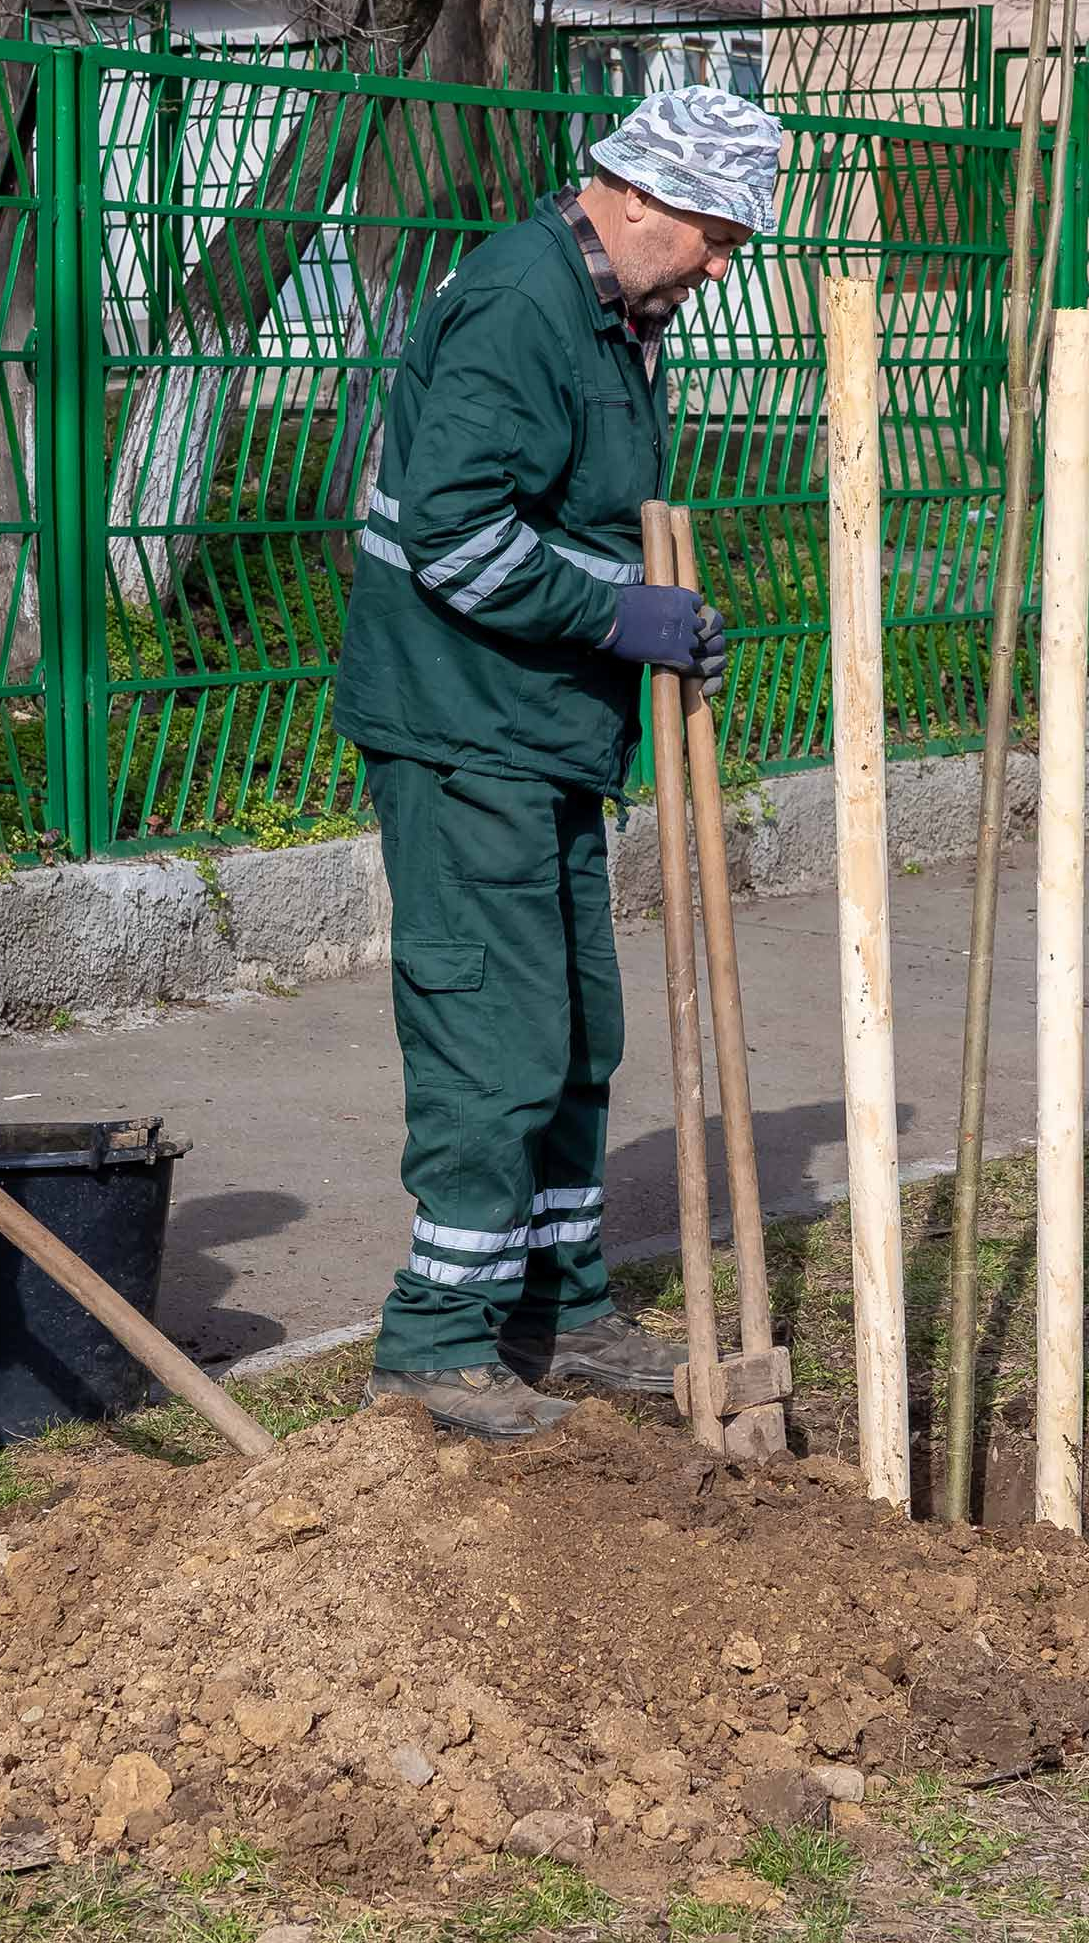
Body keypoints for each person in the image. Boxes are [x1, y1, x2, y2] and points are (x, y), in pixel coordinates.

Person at [331, 84, 782, 1440]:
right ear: (634, 193)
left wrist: (654, 616)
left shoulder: (612, 313)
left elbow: (576, 517)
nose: (716, 269)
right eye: (710, 236)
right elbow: (459, 540)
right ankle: (432, 1336)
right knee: (498, 1030)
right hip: (465, 726)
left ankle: (557, 1304)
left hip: (541, 730)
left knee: (581, 1027)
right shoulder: (523, 305)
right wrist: (618, 614)